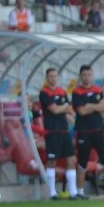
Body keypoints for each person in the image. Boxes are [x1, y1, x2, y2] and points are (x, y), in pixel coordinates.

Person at [72, 64, 104, 199]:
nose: (87, 77)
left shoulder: (98, 90)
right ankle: (80, 192)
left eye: (89, 74)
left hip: (99, 130)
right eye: (84, 75)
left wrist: (91, 105)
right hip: (84, 131)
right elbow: (81, 111)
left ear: (92, 75)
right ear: (80, 76)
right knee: (82, 162)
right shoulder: (77, 92)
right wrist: (97, 107)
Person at [39, 68, 78, 200]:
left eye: (55, 76)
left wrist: (66, 110)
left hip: (64, 130)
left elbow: (69, 109)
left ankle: (73, 192)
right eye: (51, 76)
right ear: (47, 77)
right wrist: (64, 108)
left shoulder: (62, 91)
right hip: (52, 131)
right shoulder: (44, 93)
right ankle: (52, 192)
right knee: (52, 161)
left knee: (71, 159)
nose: (53, 78)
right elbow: (54, 110)